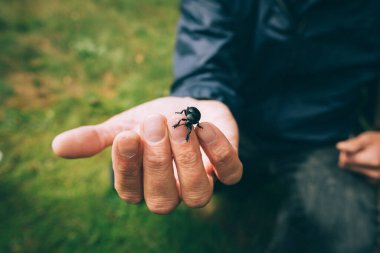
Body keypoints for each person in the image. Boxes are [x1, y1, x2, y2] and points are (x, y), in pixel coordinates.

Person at [52, 0, 380, 252]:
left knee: (350, 238)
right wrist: (203, 99)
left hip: (325, 141)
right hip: (236, 130)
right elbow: (204, 57)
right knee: (144, 168)